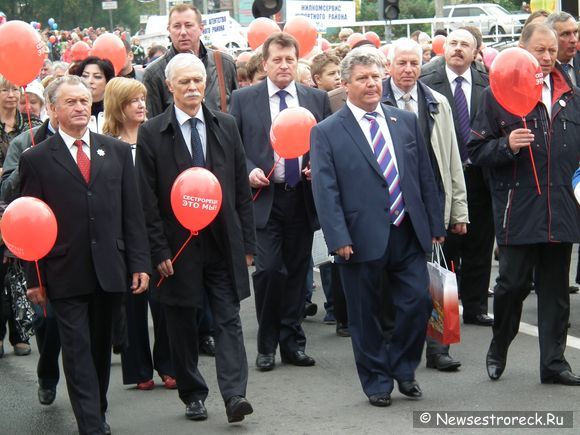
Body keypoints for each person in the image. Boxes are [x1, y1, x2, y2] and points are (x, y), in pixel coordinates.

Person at [310, 47, 445, 407]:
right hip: (358, 238)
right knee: (365, 315)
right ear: (345, 83)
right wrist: (337, 236)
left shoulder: (404, 121)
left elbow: (424, 176)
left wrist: (434, 222)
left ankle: (403, 368)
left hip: (407, 230)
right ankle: (377, 382)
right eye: (362, 78)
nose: (372, 84)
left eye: (375, 77)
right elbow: (325, 189)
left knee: (417, 302)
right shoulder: (327, 131)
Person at [20, 75, 151, 434]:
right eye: (71, 102)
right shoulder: (36, 159)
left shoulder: (117, 151)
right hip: (63, 270)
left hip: (110, 267)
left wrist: (139, 262)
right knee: (76, 352)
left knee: (98, 352)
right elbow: (28, 221)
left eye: (84, 101)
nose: (80, 108)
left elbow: (132, 213)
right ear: (53, 110)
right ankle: (92, 426)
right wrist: (35, 278)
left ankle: (97, 409)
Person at [137, 53, 256, 423]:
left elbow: (239, 191)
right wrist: (158, 250)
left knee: (228, 318)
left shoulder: (226, 124)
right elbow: (147, 199)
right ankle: (192, 392)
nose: (192, 87)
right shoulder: (152, 132)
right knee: (182, 320)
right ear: (169, 86)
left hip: (221, 242)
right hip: (177, 246)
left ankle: (235, 395)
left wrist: (247, 245)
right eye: (184, 82)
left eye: (197, 80)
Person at [468, 23, 580, 385]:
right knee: (512, 286)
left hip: (561, 206)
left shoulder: (571, 91)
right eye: (539, 51)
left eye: (551, 51)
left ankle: (554, 363)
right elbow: (475, 150)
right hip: (519, 207)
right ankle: (499, 345)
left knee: (556, 292)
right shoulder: (496, 94)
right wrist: (507, 145)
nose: (547, 58)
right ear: (522, 48)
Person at [229, 32, 331, 372]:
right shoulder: (244, 99)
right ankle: (267, 343)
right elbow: (234, 148)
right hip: (264, 199)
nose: (284, 65)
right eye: (277, 60)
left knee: (297, 271)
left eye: (290, 59)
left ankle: (292, 342)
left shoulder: (316, 98)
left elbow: (324, 145)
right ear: (265, 63)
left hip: (300, 198)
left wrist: (316, 166)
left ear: (297, 61)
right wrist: (248, 171)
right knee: (270, 270)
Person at [382, 38, 468, 372]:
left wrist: (458, 210)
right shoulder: (379, 100)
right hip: (392, 206)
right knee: (396, 285)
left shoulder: (436, 102)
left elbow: (451, 159)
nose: (408, 70)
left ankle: (437, 349)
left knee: (435, 278)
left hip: (431, 201)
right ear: (389, 65)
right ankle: (394, 346)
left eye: (414, 63)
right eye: (401, 63)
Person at [420, 29, 494, 328]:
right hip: (444, 177)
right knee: (445, 247)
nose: (458, 49)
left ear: (476, 52)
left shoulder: (486, 82)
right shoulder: (428, 82)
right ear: (444, 48)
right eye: (453, 43)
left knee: (480, 243)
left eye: (465, 44)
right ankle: (442, 313)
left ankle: (476, 306)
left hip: (480, 174)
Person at [1, 79, 62, 404]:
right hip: (38, 240)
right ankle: (47, 374)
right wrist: (29, 158)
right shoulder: (25, 142)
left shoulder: (87, 139)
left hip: (76, 240)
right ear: (53, 107)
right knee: (45, 316)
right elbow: (8, 192)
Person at [0, 74, 42, 358]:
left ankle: (20, 332)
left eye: (15, 89)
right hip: (2, 204)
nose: (11, 95)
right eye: (5, 89)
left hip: (28, 207)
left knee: (21, 274)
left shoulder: (34, 127)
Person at [143, 4, 237, 117]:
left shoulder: (224, 63)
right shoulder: (154, 74)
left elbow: (236, 114)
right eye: (177, 26)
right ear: (169, 30)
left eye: (188, 25)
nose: (183, 32)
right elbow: (154, 126)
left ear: (201, 28)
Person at [70, 56, 115, 133]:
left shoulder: (117, 110)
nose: (90, 81)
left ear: (108, 81)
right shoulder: (71, 109)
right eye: (85, 76)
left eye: (97, 77)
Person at [546, 12, 579, 86]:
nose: (573, 40)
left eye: (575, 32)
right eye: (566, 34)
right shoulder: (543, 67)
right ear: (551, 37)